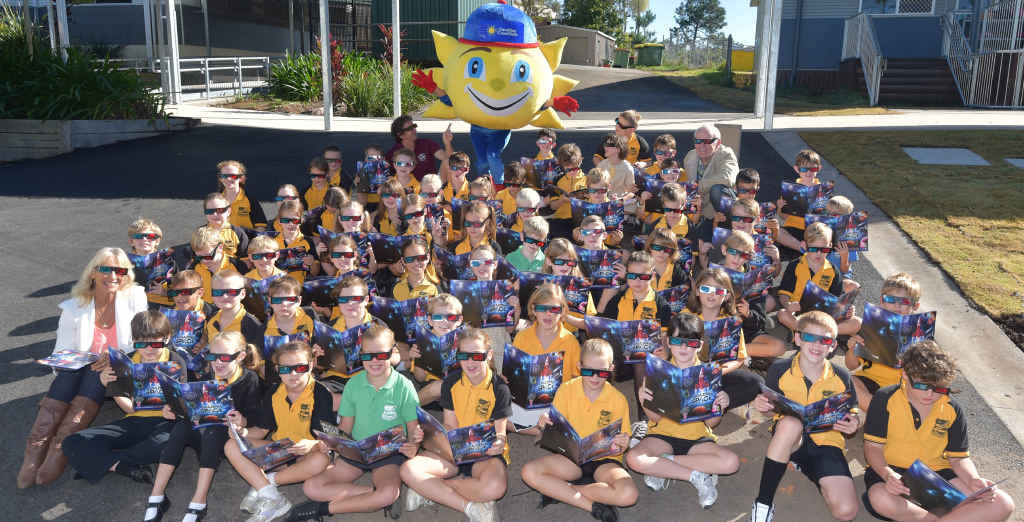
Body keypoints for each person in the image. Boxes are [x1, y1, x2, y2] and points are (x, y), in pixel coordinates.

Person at [19, 247, 148, 488]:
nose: (113, 276)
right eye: (106, 269)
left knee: (93, 376)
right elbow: (61, 350)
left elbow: (142, 340)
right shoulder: (74, 306)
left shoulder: (135, 297)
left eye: (120, 270)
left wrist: (112, 357)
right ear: (93, 273)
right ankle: (34, 451)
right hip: (82, 364)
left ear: (126, 274)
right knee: (69, 376)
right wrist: (82, 359)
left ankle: (60, 449)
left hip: (117, 365)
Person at [861, 340, 1015, 522]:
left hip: (937, 475)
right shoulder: (885, 398)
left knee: (1002, 503)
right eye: (921, 386)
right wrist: (888, 475)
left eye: (939, 388)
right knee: (881, 498)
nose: (930, 394)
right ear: (904, 375)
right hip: (893, 472)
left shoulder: (952, 409)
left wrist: (973, 479)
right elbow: (873, 448)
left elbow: (958, 458)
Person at [288, 323, 422, 521]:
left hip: (389, 453)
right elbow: (345, 428)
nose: (375, 361)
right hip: (357, 450)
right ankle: (371, 494)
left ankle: (323, 509)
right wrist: (333, 444)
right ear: (361, 355)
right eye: (368, 356)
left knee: (388, 493)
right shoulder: (353, 384)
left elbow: (413, 429)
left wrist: (414, 445)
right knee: (311, 487)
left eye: (382, 355)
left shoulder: (404, 386)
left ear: (393, 353)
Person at [750, 311, 861, 522]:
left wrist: (853, 422)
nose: (817, 345)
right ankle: (763, 503)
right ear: (798, 338)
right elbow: (771, 405)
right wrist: (761, 406)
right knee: (791, 424)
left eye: (825, 340)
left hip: (827, 442)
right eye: (810, 337)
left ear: (833, 346)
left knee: (846, 512)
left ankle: (808, 467)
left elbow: (852, 409)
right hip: (792, 438)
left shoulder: (842, 376)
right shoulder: (779, 369)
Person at [143, 331, 264, 522]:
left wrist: (243, 420)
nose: (217, 362)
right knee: (181, 427)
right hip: (206, 436)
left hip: (228, 441)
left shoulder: (250, 380)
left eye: (224, 357)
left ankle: (199, 500)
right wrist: (174, 409)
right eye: (212, 356)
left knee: (214, 431)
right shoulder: (209, 375)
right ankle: (157, 495)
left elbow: (258, 419)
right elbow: (193, 408)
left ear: (240, 357)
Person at [625, 313, 738, 508]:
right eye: (678, 341)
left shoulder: (708, 374)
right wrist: (644, 402)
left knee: (731, 463)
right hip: (662, 435)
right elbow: (655, 419)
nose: (684, 347)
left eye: (691, 342)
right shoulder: (658, 371)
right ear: (668, 342)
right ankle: (696, 476)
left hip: (696, 438)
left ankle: (663, 466)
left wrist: (720, 405)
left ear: (700, 345)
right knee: (633, 459)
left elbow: (712, 424)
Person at [61, 310, 187, 485]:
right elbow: (128, 408)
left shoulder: (175, 360)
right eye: (142, 344)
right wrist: (107, 384)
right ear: (134, 340)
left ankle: (103, 461)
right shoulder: (125, 362)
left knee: (166, 445)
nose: (149, 350)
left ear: (166, 338)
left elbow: (182, 403)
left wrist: (172, 409)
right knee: (72, 442)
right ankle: (121, 466)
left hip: (166, 422)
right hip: (135, 419)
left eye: (156, 345)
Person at [521, 339, 638, 522]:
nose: (595, 378)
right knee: (529, 472)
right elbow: (555, 430)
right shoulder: (566, 390)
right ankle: (591, 505)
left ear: (611, 369)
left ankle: (562, 491)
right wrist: (544, 424)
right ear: (579, 366)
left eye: (602, 372)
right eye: (588, 371)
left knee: (628, 495)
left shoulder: (618, 399)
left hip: (604, 460)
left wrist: (623, 444)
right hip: (571, 457)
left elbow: (621, 444)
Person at [401, 328, 511, 522]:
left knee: (495, 488)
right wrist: (432, 435)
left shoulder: (500, 388)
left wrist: (500, 443)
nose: (470, 362)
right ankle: (469, 506)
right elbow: (450, 424)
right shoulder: (451, 382)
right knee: (408, 470)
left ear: (489, 355)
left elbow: (500, 433)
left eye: (477, 355)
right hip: (453, 450)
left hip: (485, 455)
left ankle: (433, 489)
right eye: (463, 355)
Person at [224, 341, 334, 521]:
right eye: (285, 369)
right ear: (277, 369)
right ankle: (273, 498)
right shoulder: (274, 392)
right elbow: (261, 430)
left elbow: (328, 441)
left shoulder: (320, 393)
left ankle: (264, 485)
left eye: (300, 368)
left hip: (306, 453)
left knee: (321, 460)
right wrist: (241, 432)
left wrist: (312, 444)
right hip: (279, 450)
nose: (292, 374)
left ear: (311, 365)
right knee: (231, 445)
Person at [686, 269, 764, 410]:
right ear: (697, 291)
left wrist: (716, 372)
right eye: (706, 288)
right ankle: (705, 404)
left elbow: (739, 359)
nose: (712, 294)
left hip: (717, 371)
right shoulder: (685, 316)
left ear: (727, 296)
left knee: (756, 382)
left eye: (719, 291)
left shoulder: (731, 322)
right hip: (688, 372)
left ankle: (721, 402)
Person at [844, 272, 923, 411]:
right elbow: (851, 366)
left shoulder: (920, 336)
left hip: (898, 388)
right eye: (891, 300)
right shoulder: (871, 326)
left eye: (904, 301)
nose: (897, 305)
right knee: (848, 381)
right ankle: (880, 414)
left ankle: (875, 414)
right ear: (882, 301)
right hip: (867, 382)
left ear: (915, 306)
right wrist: (851, 349)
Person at [510, 283, 582, 432]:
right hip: (529, 400)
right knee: (500, 412)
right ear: (533, 310)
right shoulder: (522, 337)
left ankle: (540, 429)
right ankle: (541, 430)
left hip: (559, 402)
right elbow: (514, 375)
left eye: (554, 309)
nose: (548, 314)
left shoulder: (571, 342)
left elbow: (577, 380)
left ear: (562, 311)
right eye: (542, 308)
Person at [776, 222, 861, 336]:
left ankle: (808, 335)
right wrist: (788, 305)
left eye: (824, 250)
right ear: (804, 246)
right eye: (813, 249)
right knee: (782, 314)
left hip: (823, 317)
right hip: (799, 314)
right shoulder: (795, 266)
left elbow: (838, 300)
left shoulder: (833, 270)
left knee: (857, 322)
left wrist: (847, 310)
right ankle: (823, 336)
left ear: (830, 246)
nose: (819, 253)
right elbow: (784, 294)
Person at [409, 293, 465, 406]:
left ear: (459, 320)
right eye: (438, 317)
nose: (444, 322)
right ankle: (408, 409)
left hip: (460, 385)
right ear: (430, 320)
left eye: (451, 317)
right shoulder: (424, 340)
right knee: (438, 386)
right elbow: (419, 378)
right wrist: (418, 361)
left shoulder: (465, 339)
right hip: (432, 387)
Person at [683, 123, 738, 225]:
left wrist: (699, 186)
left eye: (708, 141)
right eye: (698, 141)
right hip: (695, 212)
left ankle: (726, 226)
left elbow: (728, 178)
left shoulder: (726, 154)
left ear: (718, 143)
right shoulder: (690, 156)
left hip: (715, 212)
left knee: (717, 190)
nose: (702, 146)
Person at [776, 149, 824, 253]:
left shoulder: (822, 190)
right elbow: (783, 216)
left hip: (813, 230)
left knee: (826, 234)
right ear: (797, 169)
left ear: (818, 168)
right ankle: (801, 247)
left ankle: (807, 247)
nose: (808, 172)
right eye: (803, 169)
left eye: (812, 168)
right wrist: (780, 207)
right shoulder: (790, 189)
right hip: (792, 228)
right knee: (777, 232)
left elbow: (826, 217)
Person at [386, 114, 447, 181]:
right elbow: (388, 176)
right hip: (408, 189)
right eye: (410, 129)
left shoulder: (427, 143)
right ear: (400, 135)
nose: (414, 130)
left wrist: (447, 142)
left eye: (414, 126)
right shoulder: (392, 153)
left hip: (430, 188)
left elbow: (447, 159)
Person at [274, 199, 320, 285]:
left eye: (295, 221)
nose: (290, 224)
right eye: (285, 220)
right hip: (278, 288)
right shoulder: (273, 242)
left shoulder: (307, 241)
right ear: (279, 221)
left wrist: (312, 262)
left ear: (301, 220)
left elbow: (315, 273)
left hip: (300, 287)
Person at [547, 143, 587, 239]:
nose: (572, 172)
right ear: (562, 166)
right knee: (552, 226)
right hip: (562, 219)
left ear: (580, 161)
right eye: (568, 170)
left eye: (575, 168)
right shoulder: (557, 180)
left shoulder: (588, 180)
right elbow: (552, 206)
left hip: (581, 220)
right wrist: (562, 200)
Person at [217, 160, 268, 231]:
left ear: (241, 178)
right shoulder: (215, 200)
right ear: (220, 179)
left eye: (233, 176)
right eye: (225, 176)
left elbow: (261, 226)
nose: (228, 179)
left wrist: (250, 239)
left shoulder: (250, 199)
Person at [596, 135, 639, 216]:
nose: (605, 147)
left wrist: (620, 200)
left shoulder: (627, 168)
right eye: (605, 145)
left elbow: (632, 193)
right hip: (605, 205)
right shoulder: (602, 165)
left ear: (618, 149)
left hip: (622, 208)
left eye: (608, 145)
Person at [199, 192, 249, 260]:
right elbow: (195, 259)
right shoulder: (199, 233)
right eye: (209, 211)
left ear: (228, 211)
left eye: (220, 210)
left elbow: (245, 262)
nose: (215, 214)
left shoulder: (238, 233)